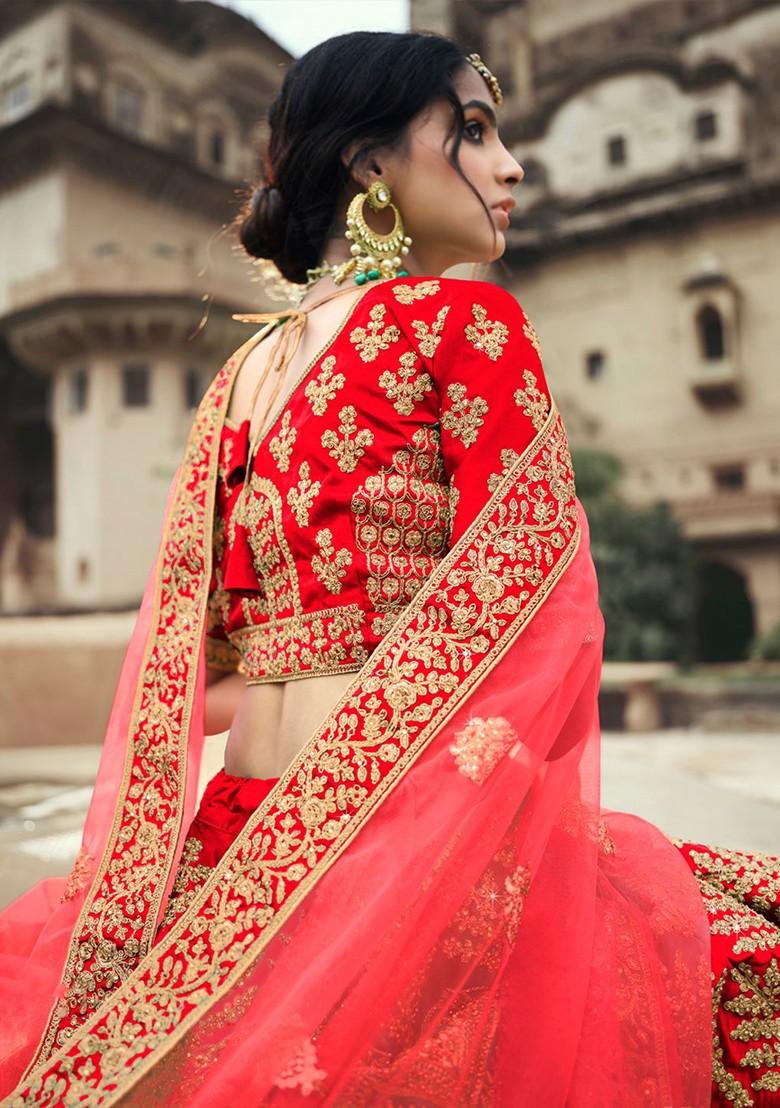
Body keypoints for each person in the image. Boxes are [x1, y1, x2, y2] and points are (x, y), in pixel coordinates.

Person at [1, 30, 778, 1108]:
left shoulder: (235, 382)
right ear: (371, 166)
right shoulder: (464, 325)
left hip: (229, 849)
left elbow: (201, 673)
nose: (511, 165)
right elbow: (542, 630)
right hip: (401, 864)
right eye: (472, 130)